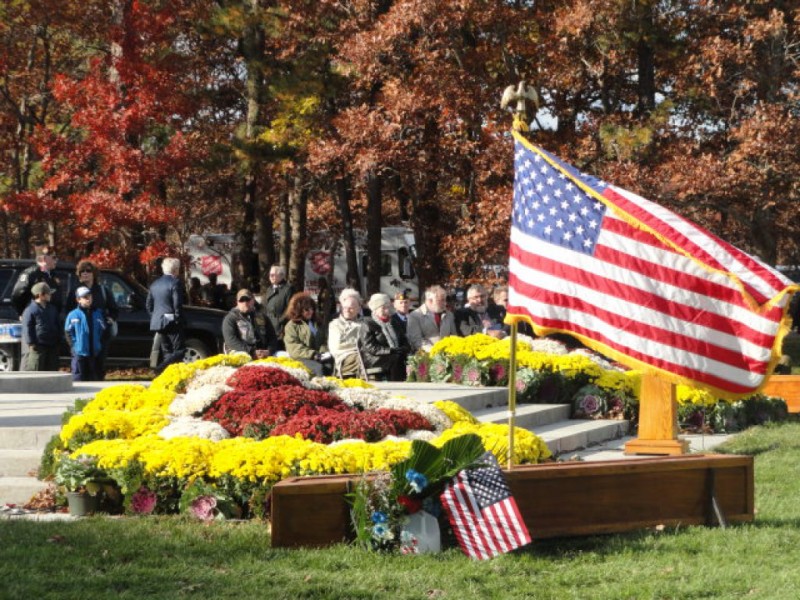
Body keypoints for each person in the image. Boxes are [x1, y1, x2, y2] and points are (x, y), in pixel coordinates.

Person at [12, 247, 62, 371]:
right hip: (35, 321)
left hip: (49, 321)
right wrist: (22, 312)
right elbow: (17, 294)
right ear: (44, 259)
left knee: (48, 360)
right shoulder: (31, 274)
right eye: (54, 257)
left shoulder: (53, 276)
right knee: (31, 357)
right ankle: (26, 386)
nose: (57, 260)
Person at [67, 260, 119, 379]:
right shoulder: (74, 291)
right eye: (82, 271)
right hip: (81, 336)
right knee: (81, 368)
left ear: (94, 273)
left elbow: (114, 309)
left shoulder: (102, 290)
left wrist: (110, 319)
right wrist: (73, 342)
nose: (85, 273)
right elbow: (69, 312)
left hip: (99, 335)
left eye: (88, 271)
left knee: (98, 365)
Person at [146, 257, 186, 374]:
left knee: (167, 351)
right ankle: (159, 369)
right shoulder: (175, 282)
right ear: (175, 270)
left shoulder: (155, 284)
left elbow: (148, 305)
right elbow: (177, 303)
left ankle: (169, 375)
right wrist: (178, 318)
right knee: (180, 350)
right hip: (172, 321)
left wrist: (155, 317)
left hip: (158, 321)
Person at [359, 293, 409, 381]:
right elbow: (370, 347)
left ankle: (409, 382)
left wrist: (404, 348)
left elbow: (403, 339)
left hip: (393, 354)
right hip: (374, 358)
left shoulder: (394, 322)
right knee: (396, 358)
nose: (387, 310)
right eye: (383, 307)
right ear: (375, 309)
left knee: (408, 357)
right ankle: (397, 385)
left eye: (388, 307)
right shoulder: (367, 323)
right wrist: (390, 350)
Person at [282, 292, 332, 376]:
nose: (311, 312)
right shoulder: (291, 326)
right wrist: (313, 354)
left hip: (319, 356)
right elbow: (294, 347)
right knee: (318, 368)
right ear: (298, 310)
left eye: (312, 309)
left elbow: (324, 341)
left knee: (329, 366)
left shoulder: (317, 322)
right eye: (307, 309)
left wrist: (323, 352)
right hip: (301, 358)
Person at [64, 286, 106, 381]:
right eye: (85, 297)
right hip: (80, 352)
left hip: (94, 352)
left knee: (95, 377)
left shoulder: (98, 313)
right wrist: (74, 346)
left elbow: (102, 330)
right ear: (78, 300)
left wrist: (99, 344)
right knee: (79, 377)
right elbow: (68, 332)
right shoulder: (73, 315)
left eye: (89, 296)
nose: (88, 299)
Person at [222, 288, 278, 359]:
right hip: (241, 353)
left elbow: (272, 337)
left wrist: (269, 351)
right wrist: (251, 351)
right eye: (241, 300)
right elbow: (231, 341)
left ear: (253, 301)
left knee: (283, 355)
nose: (245, 303)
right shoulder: (230, 318)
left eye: (247, 300)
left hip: (263, 353)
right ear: (237, 302)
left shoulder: (262, 316)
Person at [21, 282, 61, 371]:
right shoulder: (30, 310)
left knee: (51, 370)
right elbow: (27, 327)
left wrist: (58, 339)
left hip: (52, 345)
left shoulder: (52, 308)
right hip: (38, 346)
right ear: (41, 295)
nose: (50, 295)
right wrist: (31, 343)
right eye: (48, 293)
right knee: (36, 369)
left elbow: (57, 324)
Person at [407, 284, 456, 353]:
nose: (445, 303)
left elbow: (454, 336)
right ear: (430, 301)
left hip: (448, 355)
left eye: (445, 300)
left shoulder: (449, 315)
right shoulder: (415, 316)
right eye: (441, 300)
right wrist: (435, 352)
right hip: (426, 357)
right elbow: (417, 341)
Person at [328, 289, 365, 378]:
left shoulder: (364, 323)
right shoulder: (335, 324)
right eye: (345, 307)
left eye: (351, 308)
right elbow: (336, 347)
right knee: (364, 357)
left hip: (363, 355)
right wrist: (358, 348)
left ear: (358, 308)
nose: (347, 310)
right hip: (344, 358)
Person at [264, 265, 294, 341]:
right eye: (270, 274)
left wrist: (279, 321)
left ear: (281, 276)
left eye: (273, 274)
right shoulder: (269, 289)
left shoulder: (288, 289)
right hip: (269, 325)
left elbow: (290, 308)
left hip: (281, 327)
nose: (271, 276)